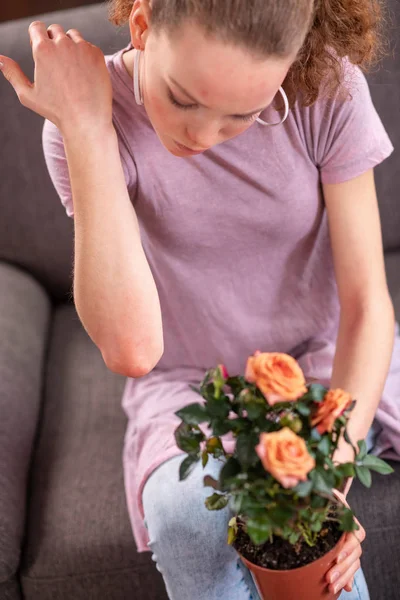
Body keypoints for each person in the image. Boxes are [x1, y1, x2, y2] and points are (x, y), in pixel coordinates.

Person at [1, 0, 399, 597]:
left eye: (244, 113)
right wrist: (85, 128)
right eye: (183, 99)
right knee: (188, 520)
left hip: (318, 359)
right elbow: (133, 348)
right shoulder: (87, 116)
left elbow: (368, 304)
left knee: (306, 530)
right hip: (186, 380)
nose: (202, 136)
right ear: (141, 24)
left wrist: (328, 476)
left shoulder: (327, 87)